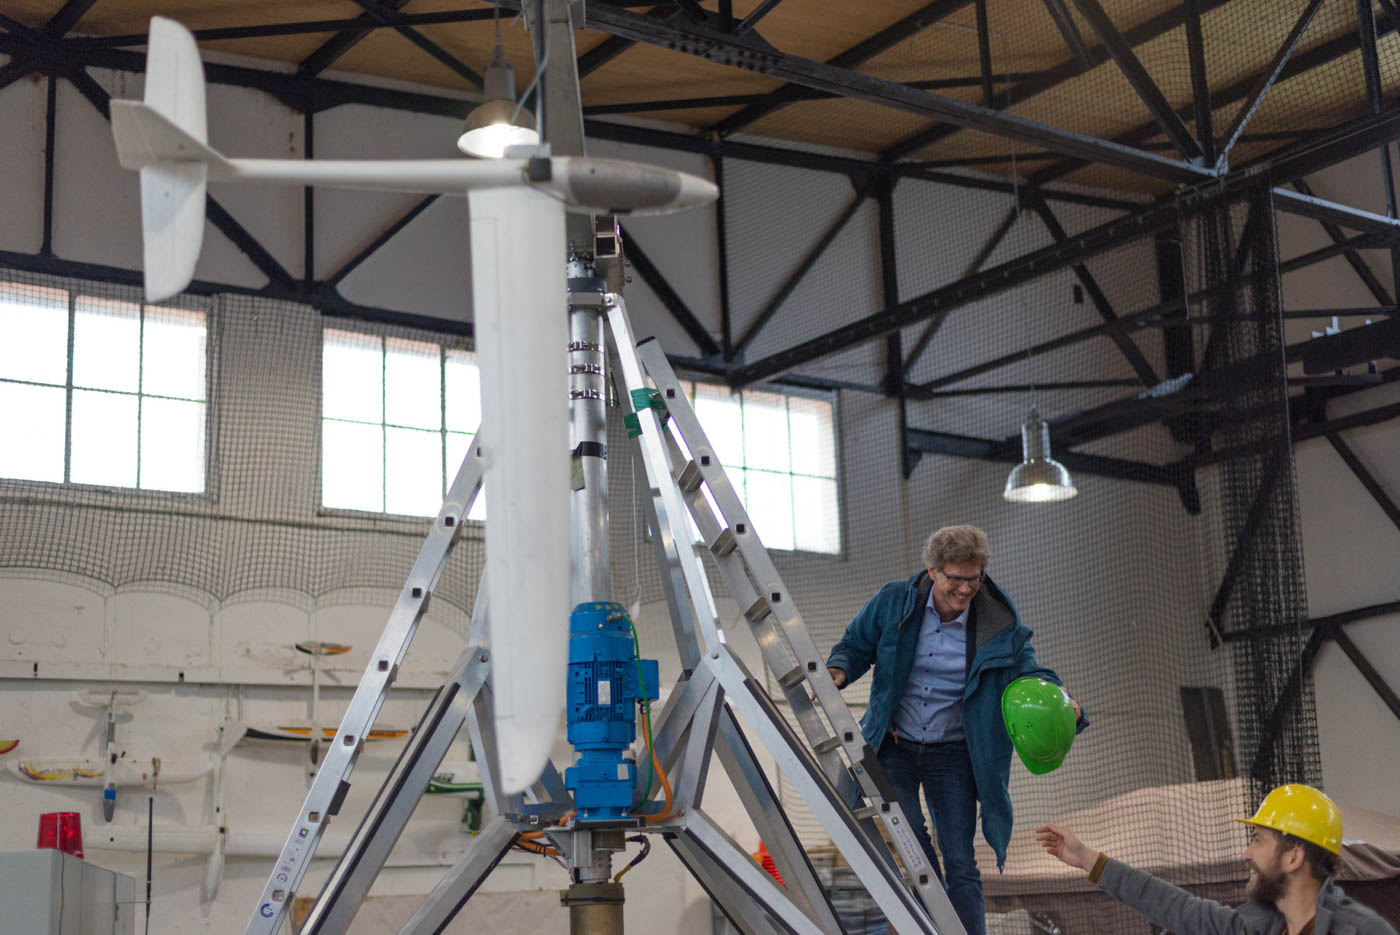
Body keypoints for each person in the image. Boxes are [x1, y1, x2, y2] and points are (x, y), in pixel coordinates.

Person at [825, 524, 1086, 935]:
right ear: (933, 571)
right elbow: (856, 645)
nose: (966, 589)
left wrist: (1064, 702)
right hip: (894, 746)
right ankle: (937, 921)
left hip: (954, 755)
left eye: (974, 578)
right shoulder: (895, 602)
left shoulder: (998, 622)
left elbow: (1030, 673)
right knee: (909, 836)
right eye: (956, 579)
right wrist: (838, 670)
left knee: (961, 860)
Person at [1035, 783, 1398, 935]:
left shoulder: (1362, 931)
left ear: (1294, 857)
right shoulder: (1256, 925)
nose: (1247, 853)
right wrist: (1089, 860)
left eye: (1258, 840)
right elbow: (1175, 907)